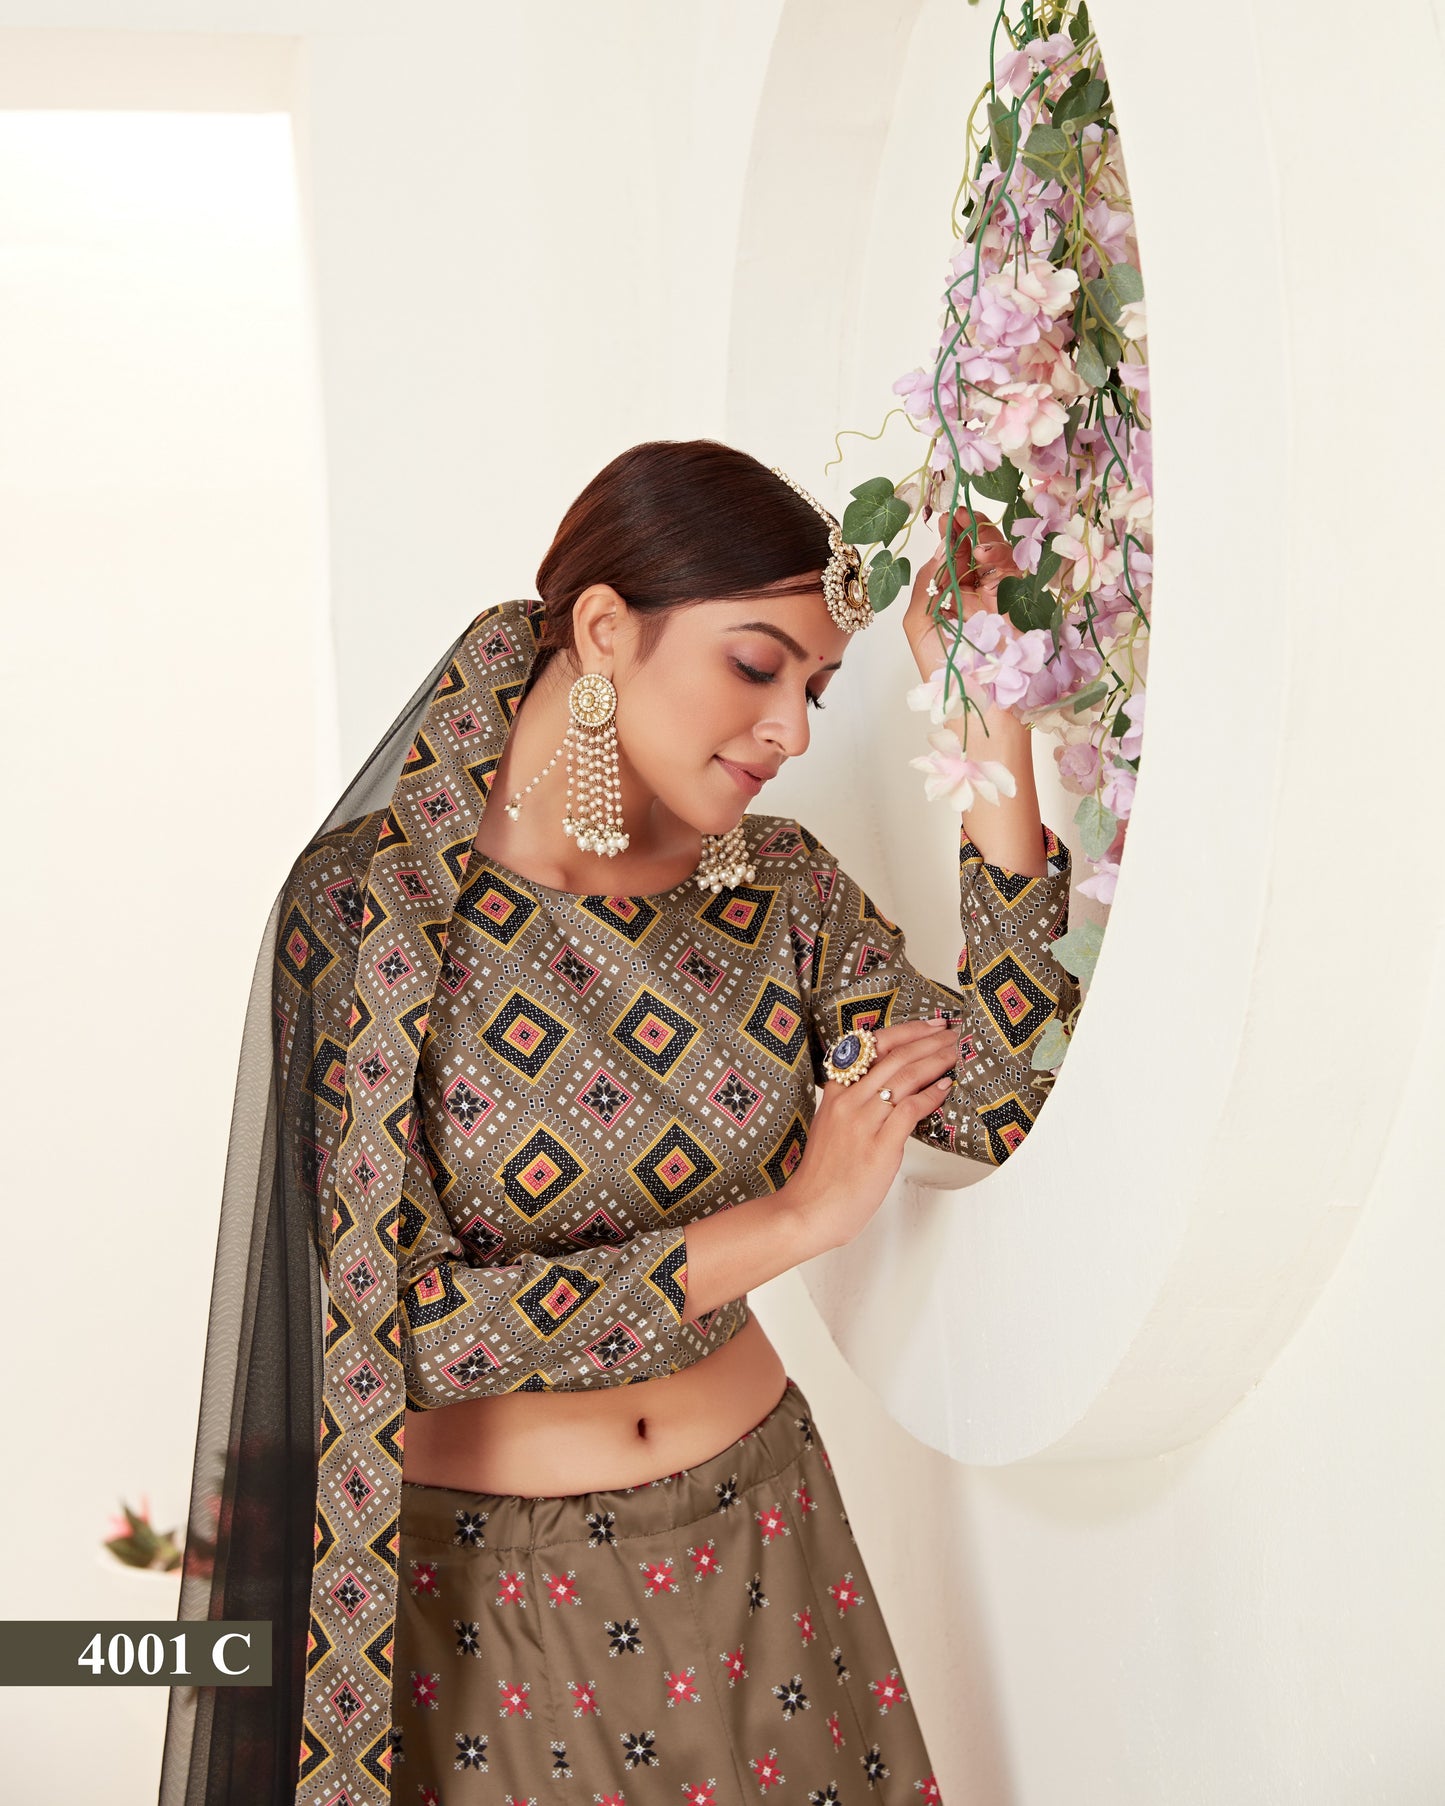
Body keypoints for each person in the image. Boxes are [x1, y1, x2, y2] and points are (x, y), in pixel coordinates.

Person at [159, 439, 1077, 1806]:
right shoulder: (373, 916)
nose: (792, 730)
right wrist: (787, 1225)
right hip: (492, 1609)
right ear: (603, 628)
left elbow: (1004, 1092)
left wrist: (993, 727)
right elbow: (392, 1332)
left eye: (817, 689)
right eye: (756, 665)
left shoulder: (776, 893)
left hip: (770, 1546)